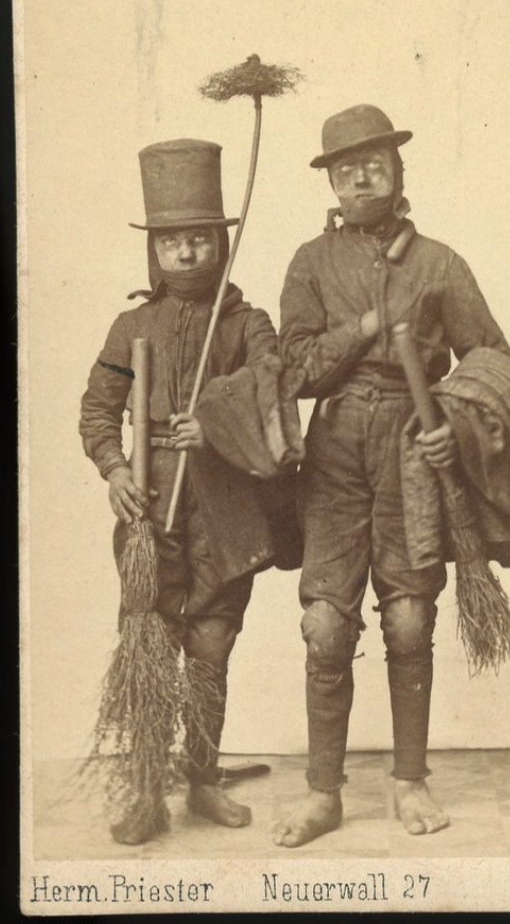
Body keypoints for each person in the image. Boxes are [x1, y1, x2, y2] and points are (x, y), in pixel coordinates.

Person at [274, 104, 510, 847]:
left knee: (409, 618)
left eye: (375, 160)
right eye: (346, 168)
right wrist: (365, 330)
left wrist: (457, 430)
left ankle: (410, 782)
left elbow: (492, 363)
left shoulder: (440, 262)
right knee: (324, 626)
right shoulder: (310, 263)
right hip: (338, 447)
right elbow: (296, 369)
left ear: (399, 170)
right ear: (333, 185)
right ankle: (323, 793)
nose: (362, 174)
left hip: (414, 446)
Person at [80, 138, 291, 845]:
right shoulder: (132, 324)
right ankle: (145, 789)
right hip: (150, 510)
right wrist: (114, 468)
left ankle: (202, 781)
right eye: (174, 242)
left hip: (226, 515)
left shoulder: (248, 323)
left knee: (210, 646)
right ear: (156, 250)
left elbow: (274, 390)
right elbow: (97, 410)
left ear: (220, 245)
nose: (189, 255)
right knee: (147, 640)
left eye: (201, 240)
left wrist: (218, 422)